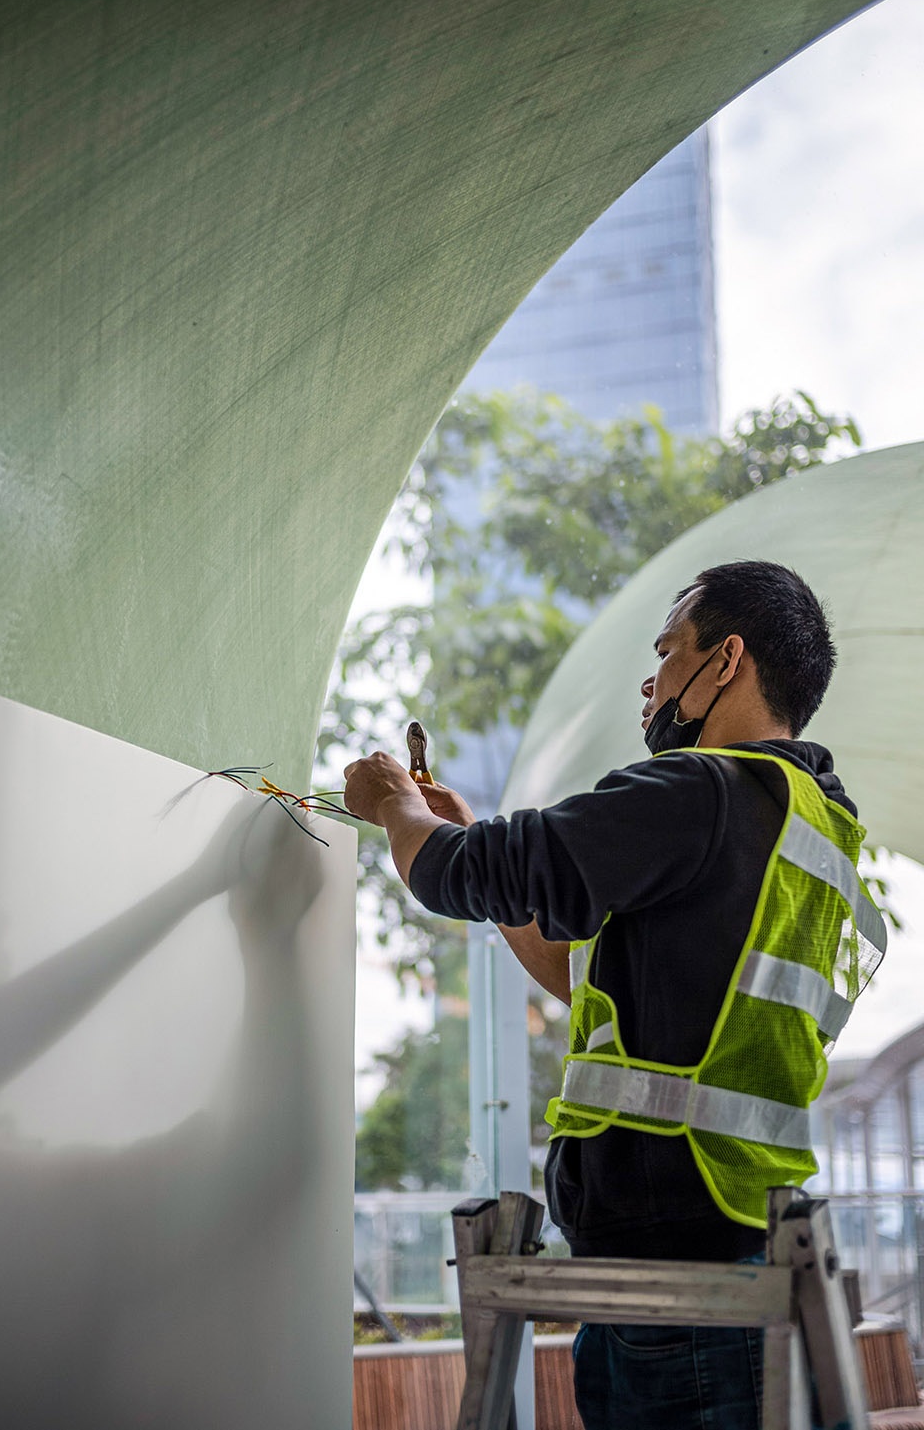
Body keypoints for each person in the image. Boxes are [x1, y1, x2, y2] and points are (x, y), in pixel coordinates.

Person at [343, 559, 886, 1430]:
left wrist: (394, 806)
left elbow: (462, 876)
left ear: (726, 661)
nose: (651, 679)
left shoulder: (704, 790)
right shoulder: (813, 827)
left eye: (668, 650)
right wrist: (463, 830)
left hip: (680, 1283)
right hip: (737, 1239)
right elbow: (583, 971)